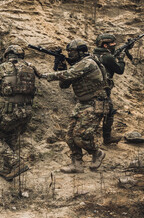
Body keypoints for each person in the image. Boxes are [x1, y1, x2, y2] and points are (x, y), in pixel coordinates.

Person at [41, 39, 107, 173]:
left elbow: (69, 74)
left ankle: (97, 152)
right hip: (82, 103)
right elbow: (64, 85)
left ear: (81, 51)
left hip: (95, 103)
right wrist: (61, 68)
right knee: (69, 136)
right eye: (69, 51)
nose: (70, 54)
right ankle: (76, 164)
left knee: (81, 137)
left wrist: (44, 75)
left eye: (72, 51)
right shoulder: (78, 66)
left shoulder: (87, 63)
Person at [0, 45, 37, 181]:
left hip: (12, 110)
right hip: (27, 110)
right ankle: (7, 169)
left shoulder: (6, 66)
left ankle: (17, 163)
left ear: (7, 55)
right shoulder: (29, 67)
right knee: (11, 138)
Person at [93, 33, 133, 145]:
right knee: (108, 113)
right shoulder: (108, 57)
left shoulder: (94, 54)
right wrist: (121, 58)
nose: (114, 45)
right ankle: (107, 138)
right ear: (105, 45)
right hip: (103, 90)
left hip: (92, 89)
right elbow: (120, 70)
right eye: (112, 43)